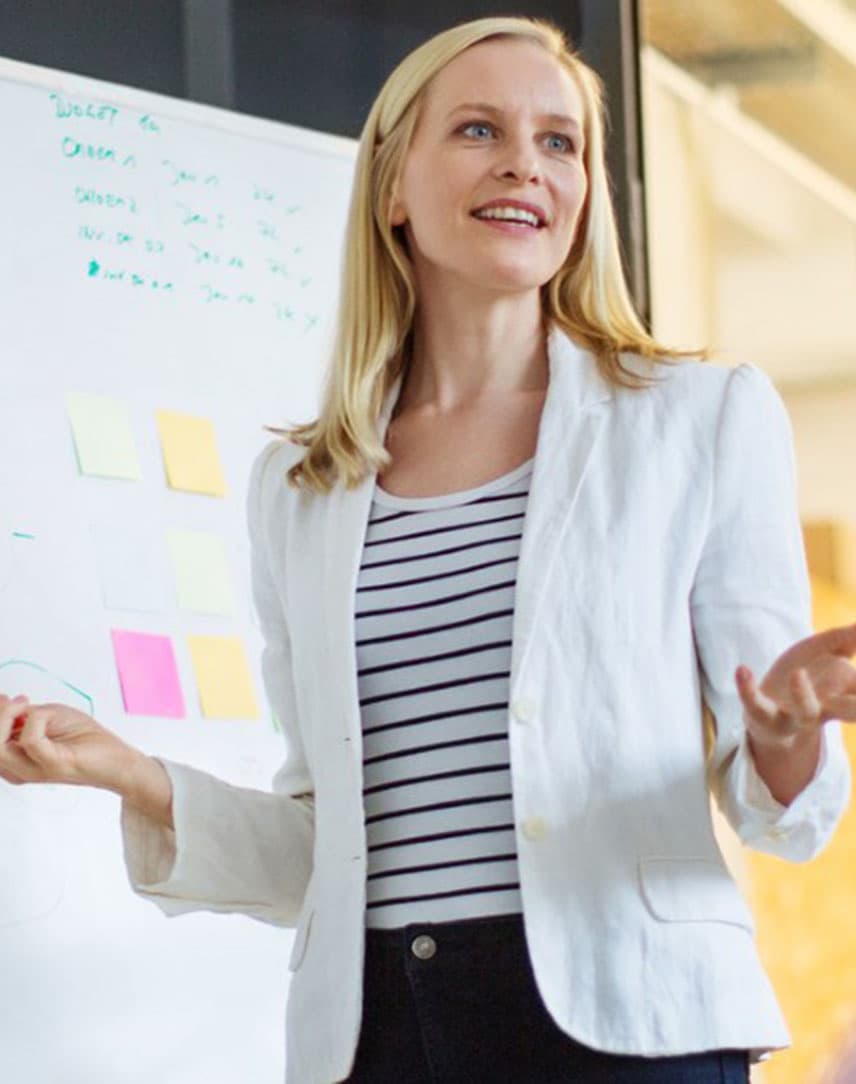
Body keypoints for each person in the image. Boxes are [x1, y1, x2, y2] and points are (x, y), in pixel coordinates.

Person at [1, 14, 854, 1084]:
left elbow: (786, 814)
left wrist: (783, 734)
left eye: (558, 142)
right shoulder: (303, 489)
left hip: (626, 1028)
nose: (522, 165)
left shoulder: (699, 419)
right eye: (478, 129)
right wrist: (133, 776)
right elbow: (329, 849)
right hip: (382, 1030)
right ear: (392, 187)